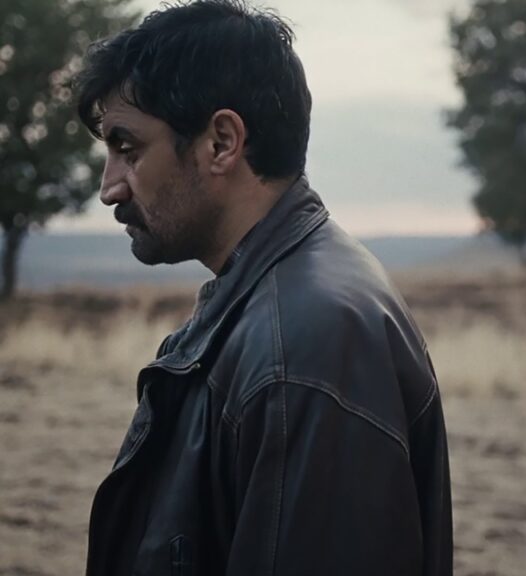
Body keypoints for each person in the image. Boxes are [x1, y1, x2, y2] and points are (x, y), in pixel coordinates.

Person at [74, 2, 452, 574]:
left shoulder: (307, 343)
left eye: (128, 149)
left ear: (222, 142)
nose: (110, 188)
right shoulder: (283, 301)